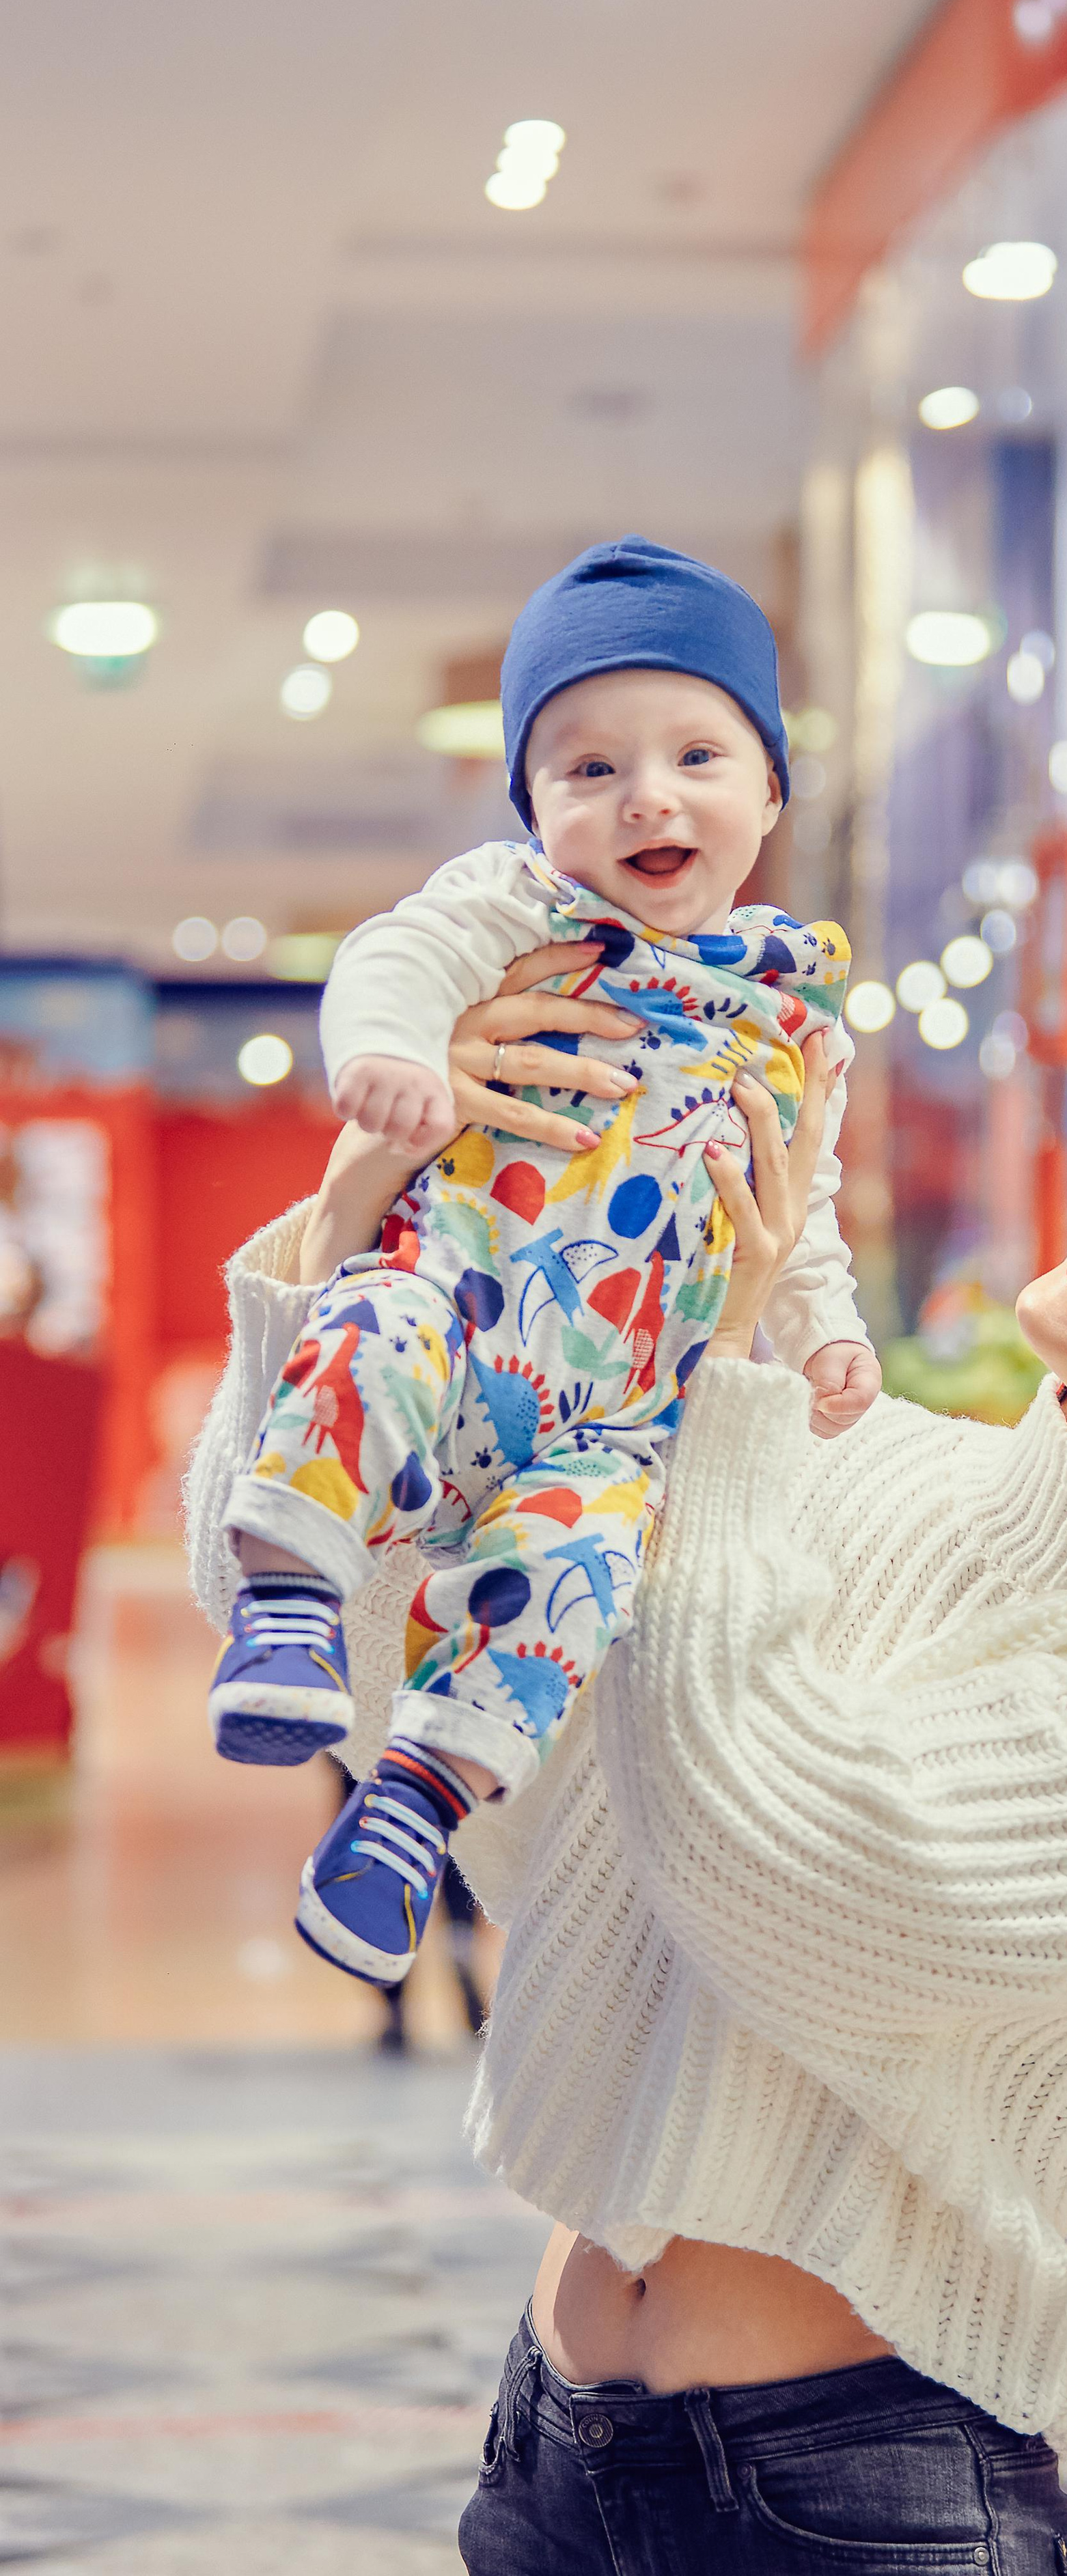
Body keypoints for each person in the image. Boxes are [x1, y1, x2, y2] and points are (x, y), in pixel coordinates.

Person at [185, 1010, 1067, 2572]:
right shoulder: (854, 1465)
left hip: (859, 2496)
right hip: (550, 2452)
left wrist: (721, 1380)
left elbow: (792, 1871)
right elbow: (352, 1635)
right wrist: (359, 1209)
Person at [203, 537, 878, 1991]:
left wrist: (821, 1323)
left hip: (615, 1409)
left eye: (698, 752)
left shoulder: (792, 1010)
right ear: (531, 811)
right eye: (586, 769)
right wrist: (389, 1059)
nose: (647, 794)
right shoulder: (525, 913)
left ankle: (407, 1811)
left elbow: (801, 1188)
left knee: (574, 1568)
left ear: (768, 788)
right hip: (463, 1287)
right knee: (364, 1339)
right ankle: (287, 1601)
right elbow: (393, 955)